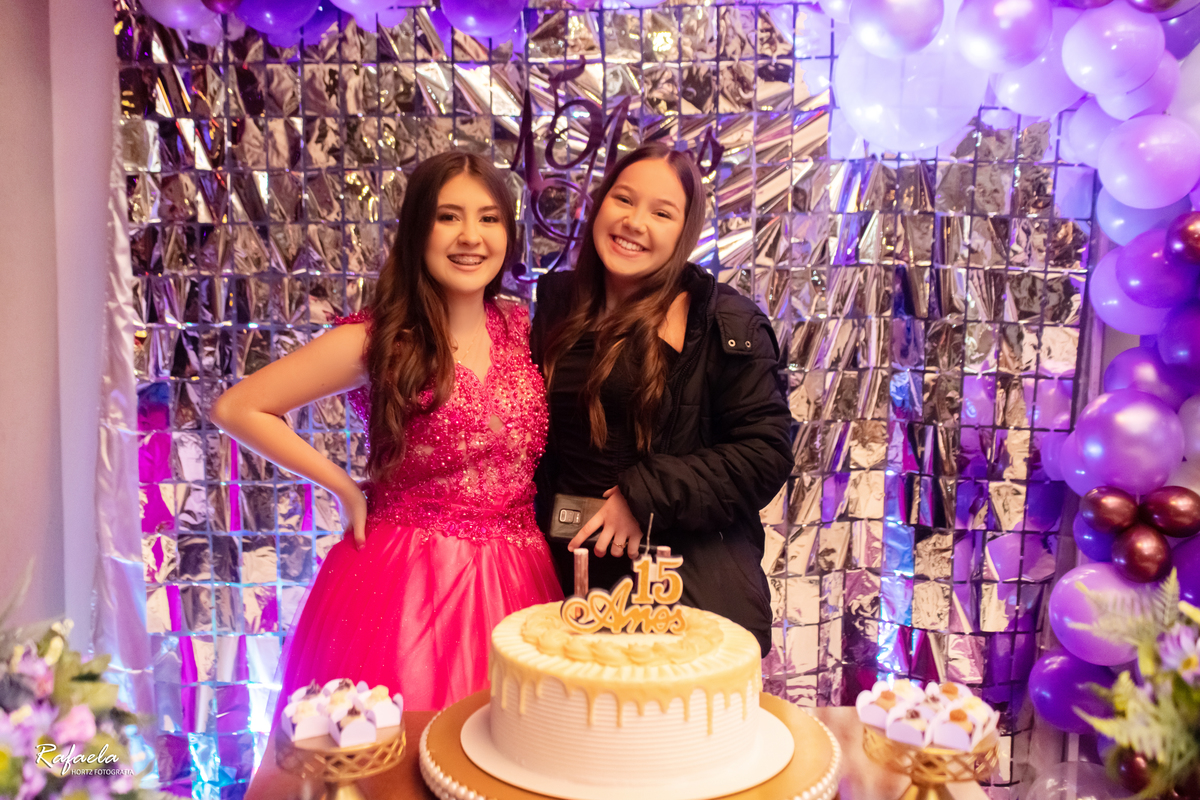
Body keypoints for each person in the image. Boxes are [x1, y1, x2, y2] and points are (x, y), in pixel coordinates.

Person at [211, 150, 562, 716]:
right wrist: (343, 488)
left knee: (517, 747)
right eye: (448, 216)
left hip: (520, 580)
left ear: (508, 233)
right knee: (401, 747)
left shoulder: (525, 328)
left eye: (489, 218)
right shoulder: (381, 339)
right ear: (418, 229)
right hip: (410, 588)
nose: (470, 236)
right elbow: (239, 407)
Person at [531, 143, 793, 657]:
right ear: (599, 204)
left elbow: (765, 453)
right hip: (567, 586)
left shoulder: (724, 321)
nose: (634, 222)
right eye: (624, 200)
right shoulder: (558, 307)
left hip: (680, 591)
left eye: (661, 213)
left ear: (684, 232)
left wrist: (643, 497)